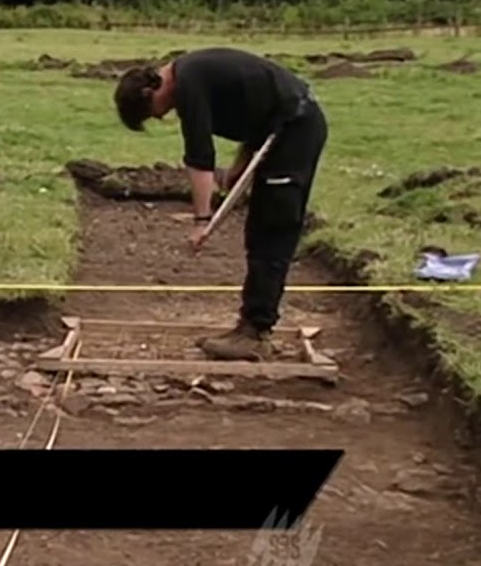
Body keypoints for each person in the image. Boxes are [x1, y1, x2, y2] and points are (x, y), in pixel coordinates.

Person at [112, 47, 328, 361]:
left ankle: (256, 332)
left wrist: (202, 221)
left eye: (153, 112)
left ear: (150, 91)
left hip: (295, 130)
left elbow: (199, 157)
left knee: (272, 229)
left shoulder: (189, 83)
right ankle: (249, 326)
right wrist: (241, 165)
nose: (160, 116)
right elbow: (258, 110)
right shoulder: (191, 73)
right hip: (282, 127)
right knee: (260, 230)